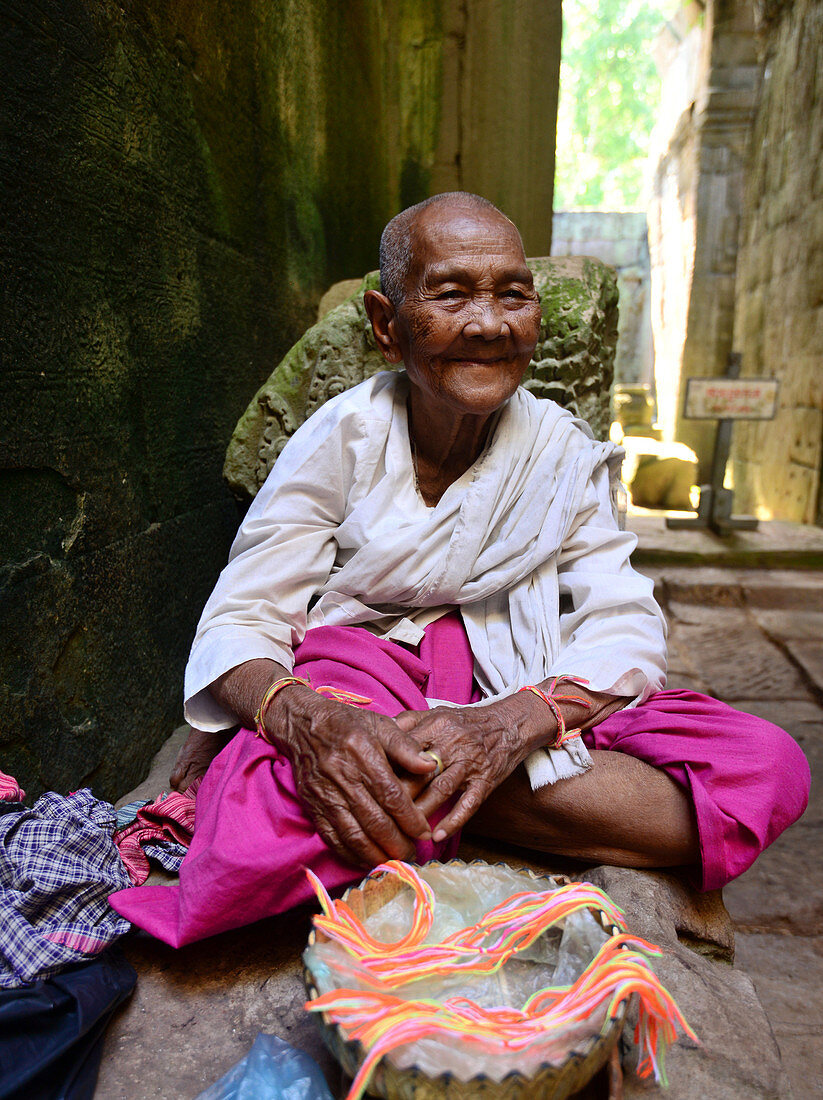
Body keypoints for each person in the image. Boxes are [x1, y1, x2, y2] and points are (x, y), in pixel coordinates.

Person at [110, 193, 809, 946]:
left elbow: (623, 622)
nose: (488, 324)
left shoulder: (561, 453)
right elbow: (245, 613)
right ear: (387, 325)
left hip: (518, 680)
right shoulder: (343, 436)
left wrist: (506, 725)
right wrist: (302, 718)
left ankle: (385, 800)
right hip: (366, 674)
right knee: (265, 823)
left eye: (512, 295)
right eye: (450, 295)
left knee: (767, 768)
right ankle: (419, 794)